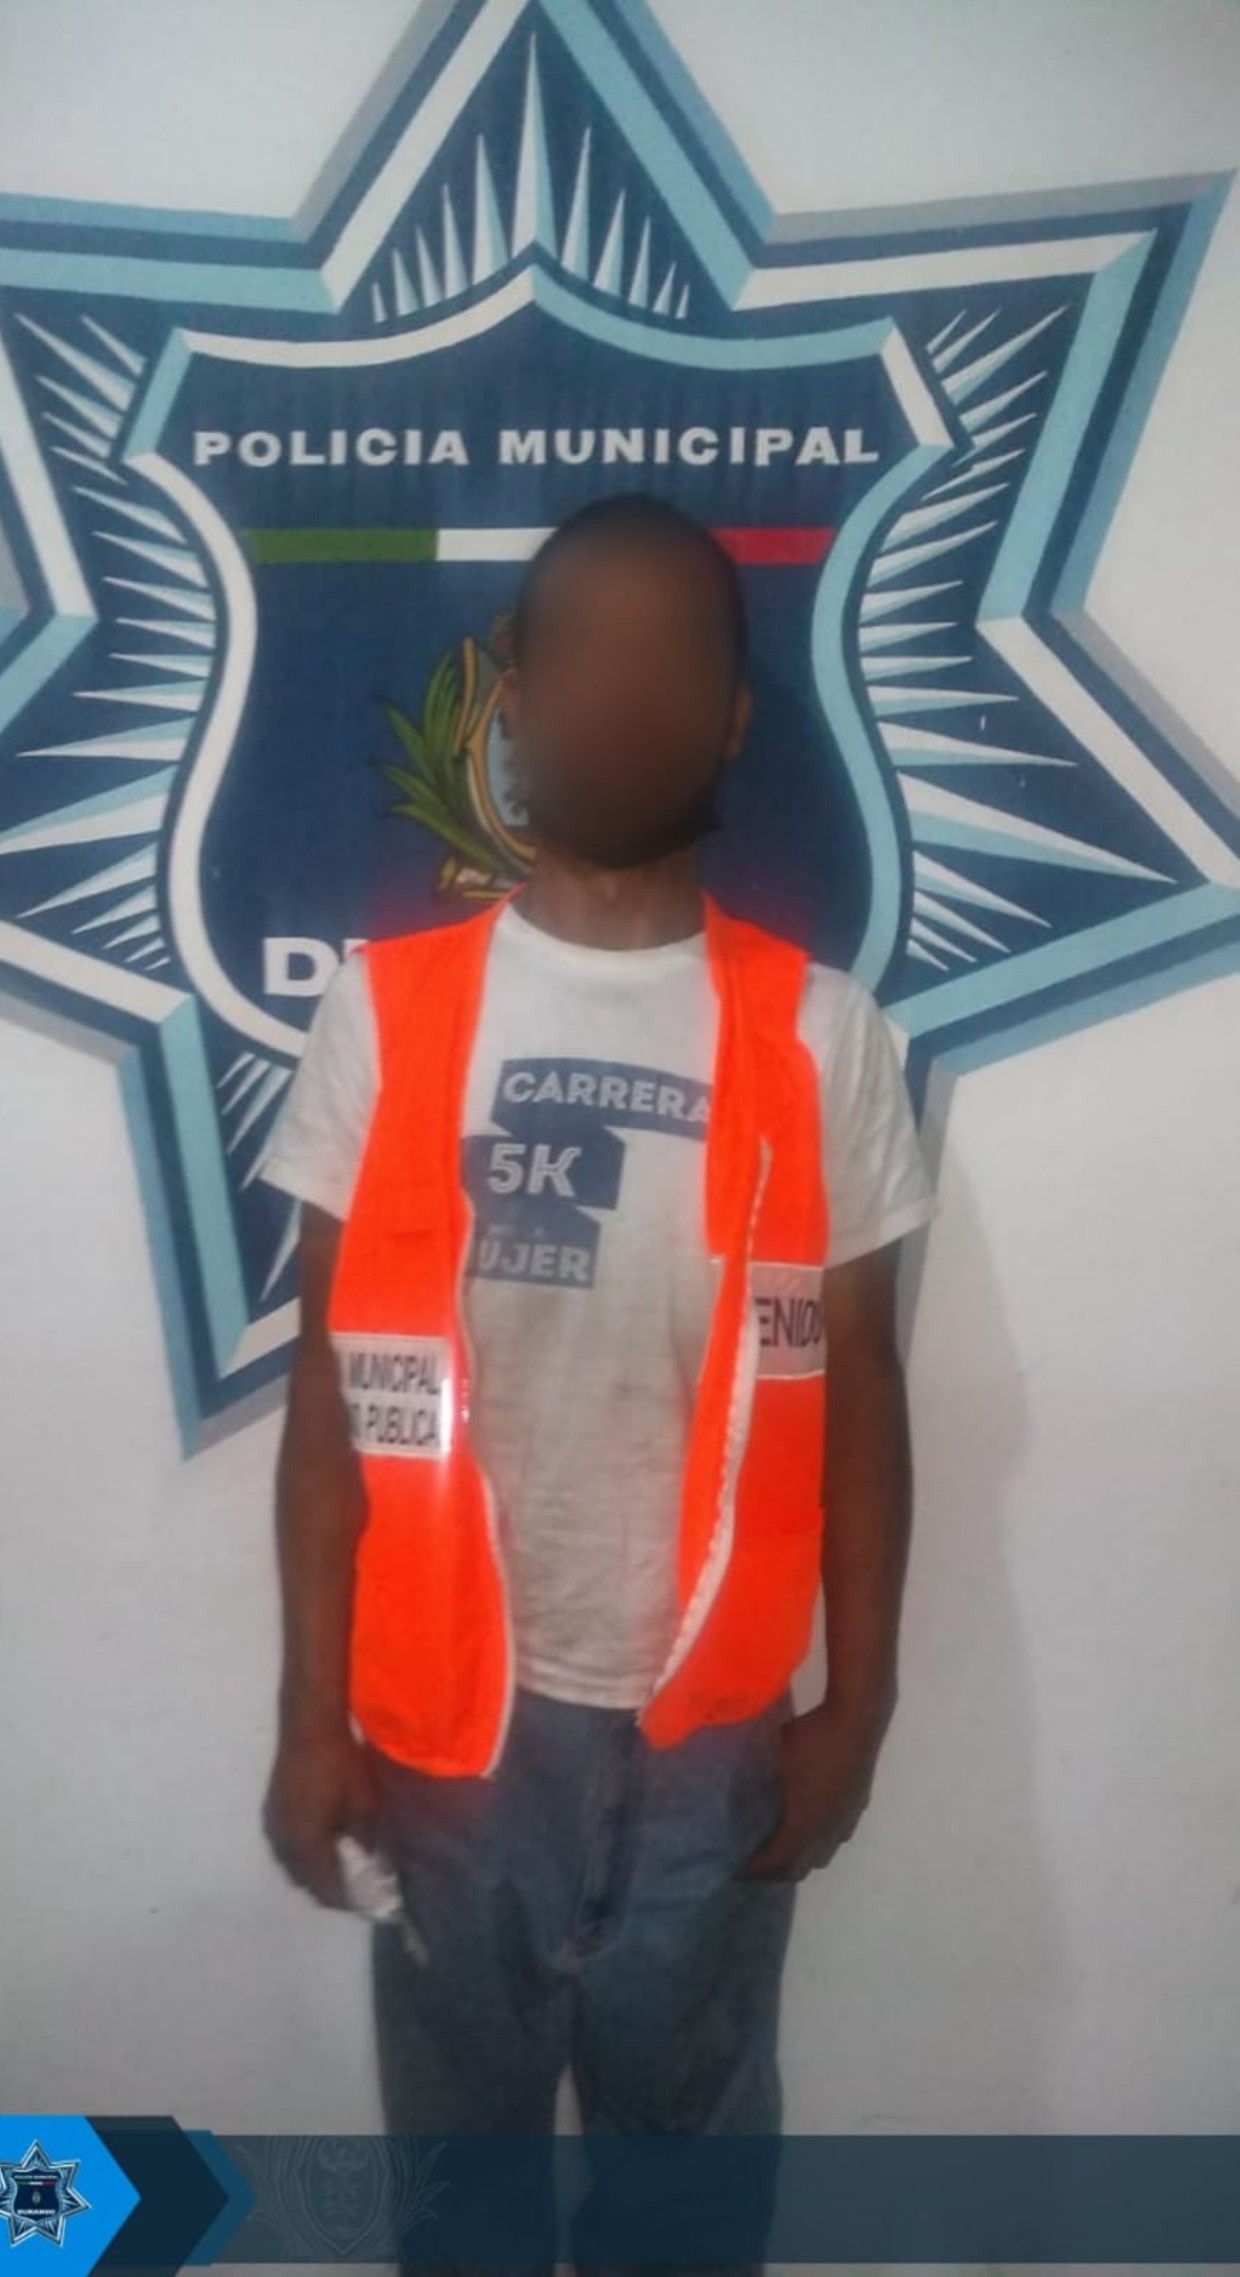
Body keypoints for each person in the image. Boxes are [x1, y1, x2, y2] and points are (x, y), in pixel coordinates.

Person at [259, 493, 936, 2250]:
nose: (628, 691)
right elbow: (329, 1400)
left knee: (685, 2208)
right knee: (463, 2205)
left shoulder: (823, 1032)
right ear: (517, 689)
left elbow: (864, 1393)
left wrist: (859, 1706)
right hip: (449, 1746)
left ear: (734, 712)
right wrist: (309, 1712)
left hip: (718, 1744)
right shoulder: (386, 1013)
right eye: (590, 649)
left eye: (675, 655)